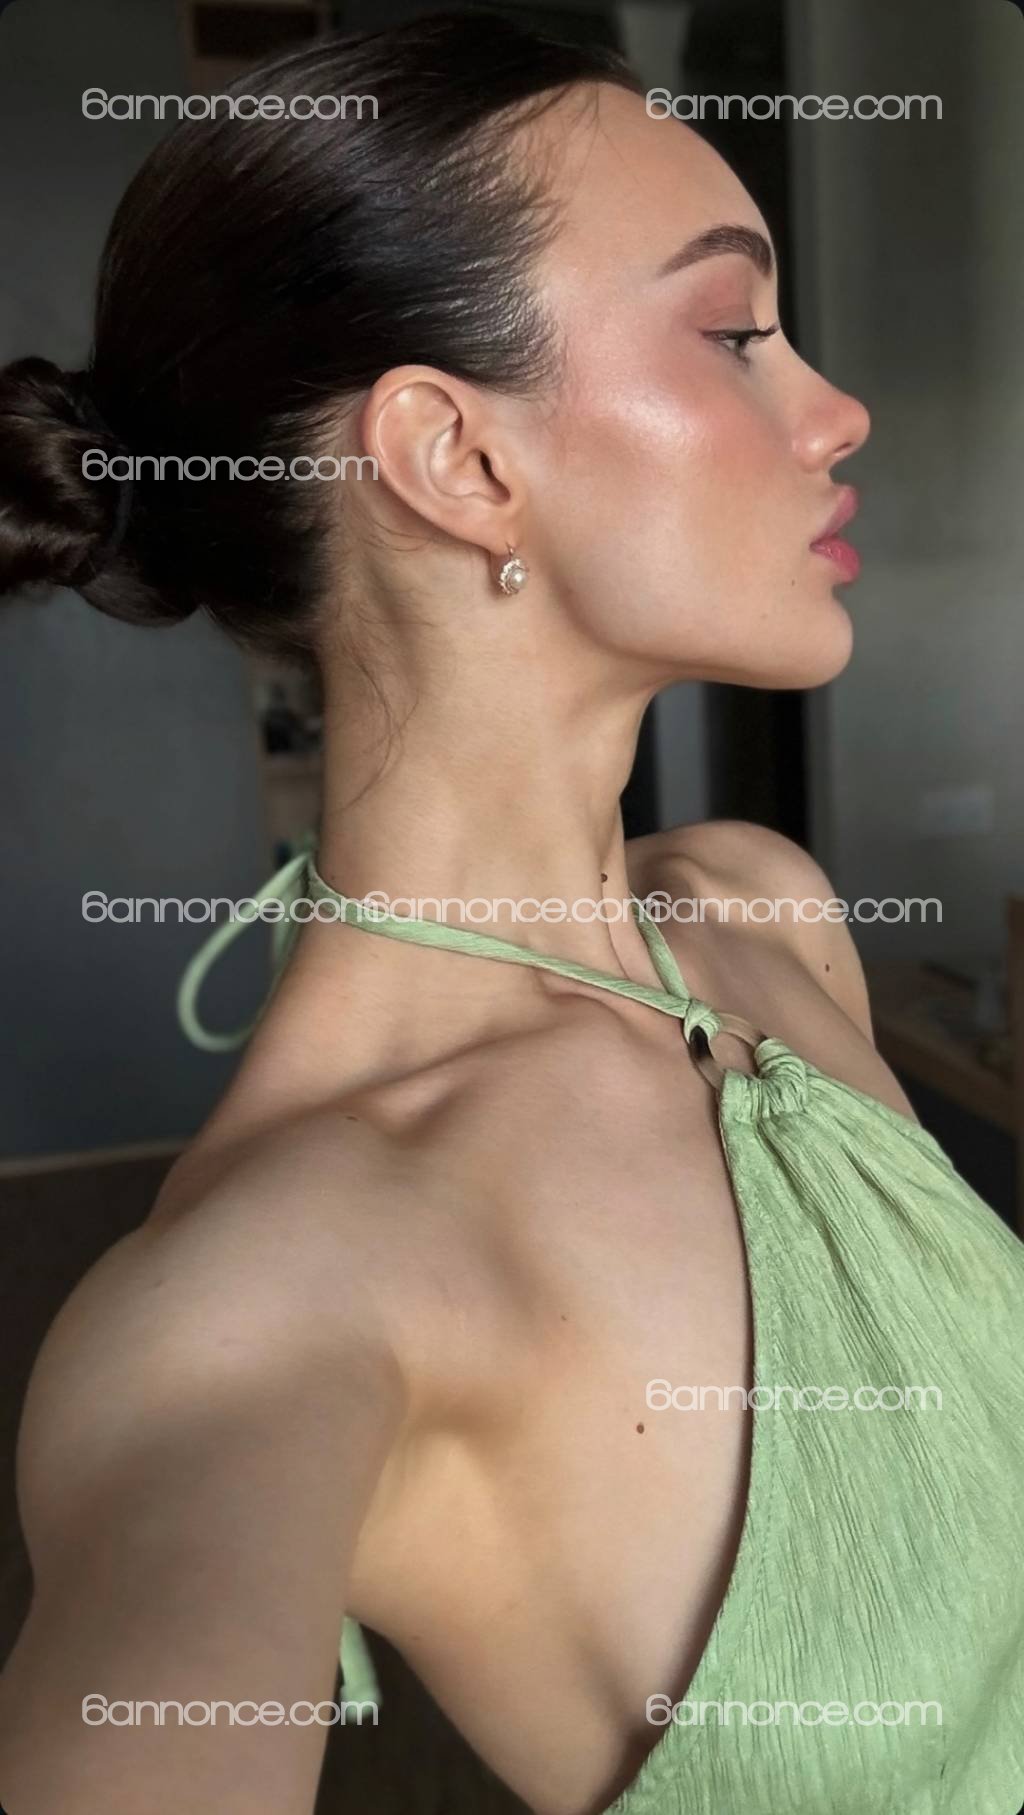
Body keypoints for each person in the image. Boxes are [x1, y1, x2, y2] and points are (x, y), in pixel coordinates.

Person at [0, 14, 1021, 1815]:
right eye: (736, 331)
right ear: (459, 461)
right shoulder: (277, 1295)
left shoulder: (760, 911)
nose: (837, 409)